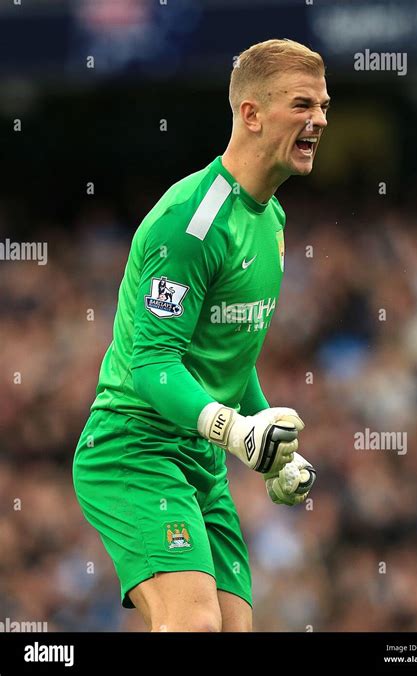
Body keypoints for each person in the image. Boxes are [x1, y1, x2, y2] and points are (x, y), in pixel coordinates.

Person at [72, 38, 329, 632]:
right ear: (252, 114)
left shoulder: (273, 219)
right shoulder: (192, 224)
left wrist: (273, 458)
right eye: (302, 104)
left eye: (323, 105)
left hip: (201, 464)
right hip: (133, 451)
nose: (319, 119)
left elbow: (230, 362)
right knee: (194, 626)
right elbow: (152, 365)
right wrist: (237, 431)